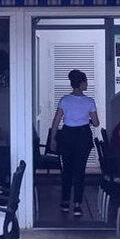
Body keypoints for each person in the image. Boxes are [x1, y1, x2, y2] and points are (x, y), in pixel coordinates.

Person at [48, 69, 99, 217]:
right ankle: (77, 204)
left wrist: (53, 139)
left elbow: (56, 121)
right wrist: (87, 120)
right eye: (86, 82)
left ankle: (65, 201)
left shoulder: (64, 100)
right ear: (81, 83)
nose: (87, 84)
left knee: (67, 170)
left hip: (67, 135)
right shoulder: (89, 101)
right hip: (83, 135)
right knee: (80, 170)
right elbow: (96, 123)